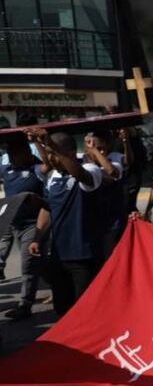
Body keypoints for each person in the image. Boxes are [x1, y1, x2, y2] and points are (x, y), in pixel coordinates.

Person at [26, 129, 104, 315]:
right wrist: (37, 237)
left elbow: (81, 176)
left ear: (69, 153)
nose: (50, 158)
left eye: (53, 154)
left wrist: (51, 145)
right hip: (60, 255)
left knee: (86, 310)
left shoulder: (91, 170)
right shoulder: (52, 177)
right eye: (49, 153)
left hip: (84, 255)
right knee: (63, 311)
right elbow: (48, 209)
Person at [0, 134, 45, 320]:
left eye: (14, 153)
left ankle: (25, 305)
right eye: (9, 153)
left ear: (26, 153)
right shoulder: (6, 170)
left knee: (28, 266)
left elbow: (48, 164)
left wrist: (37, 141)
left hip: (32, 225)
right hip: (11, 223)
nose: (11, 157)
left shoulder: (36, 169)